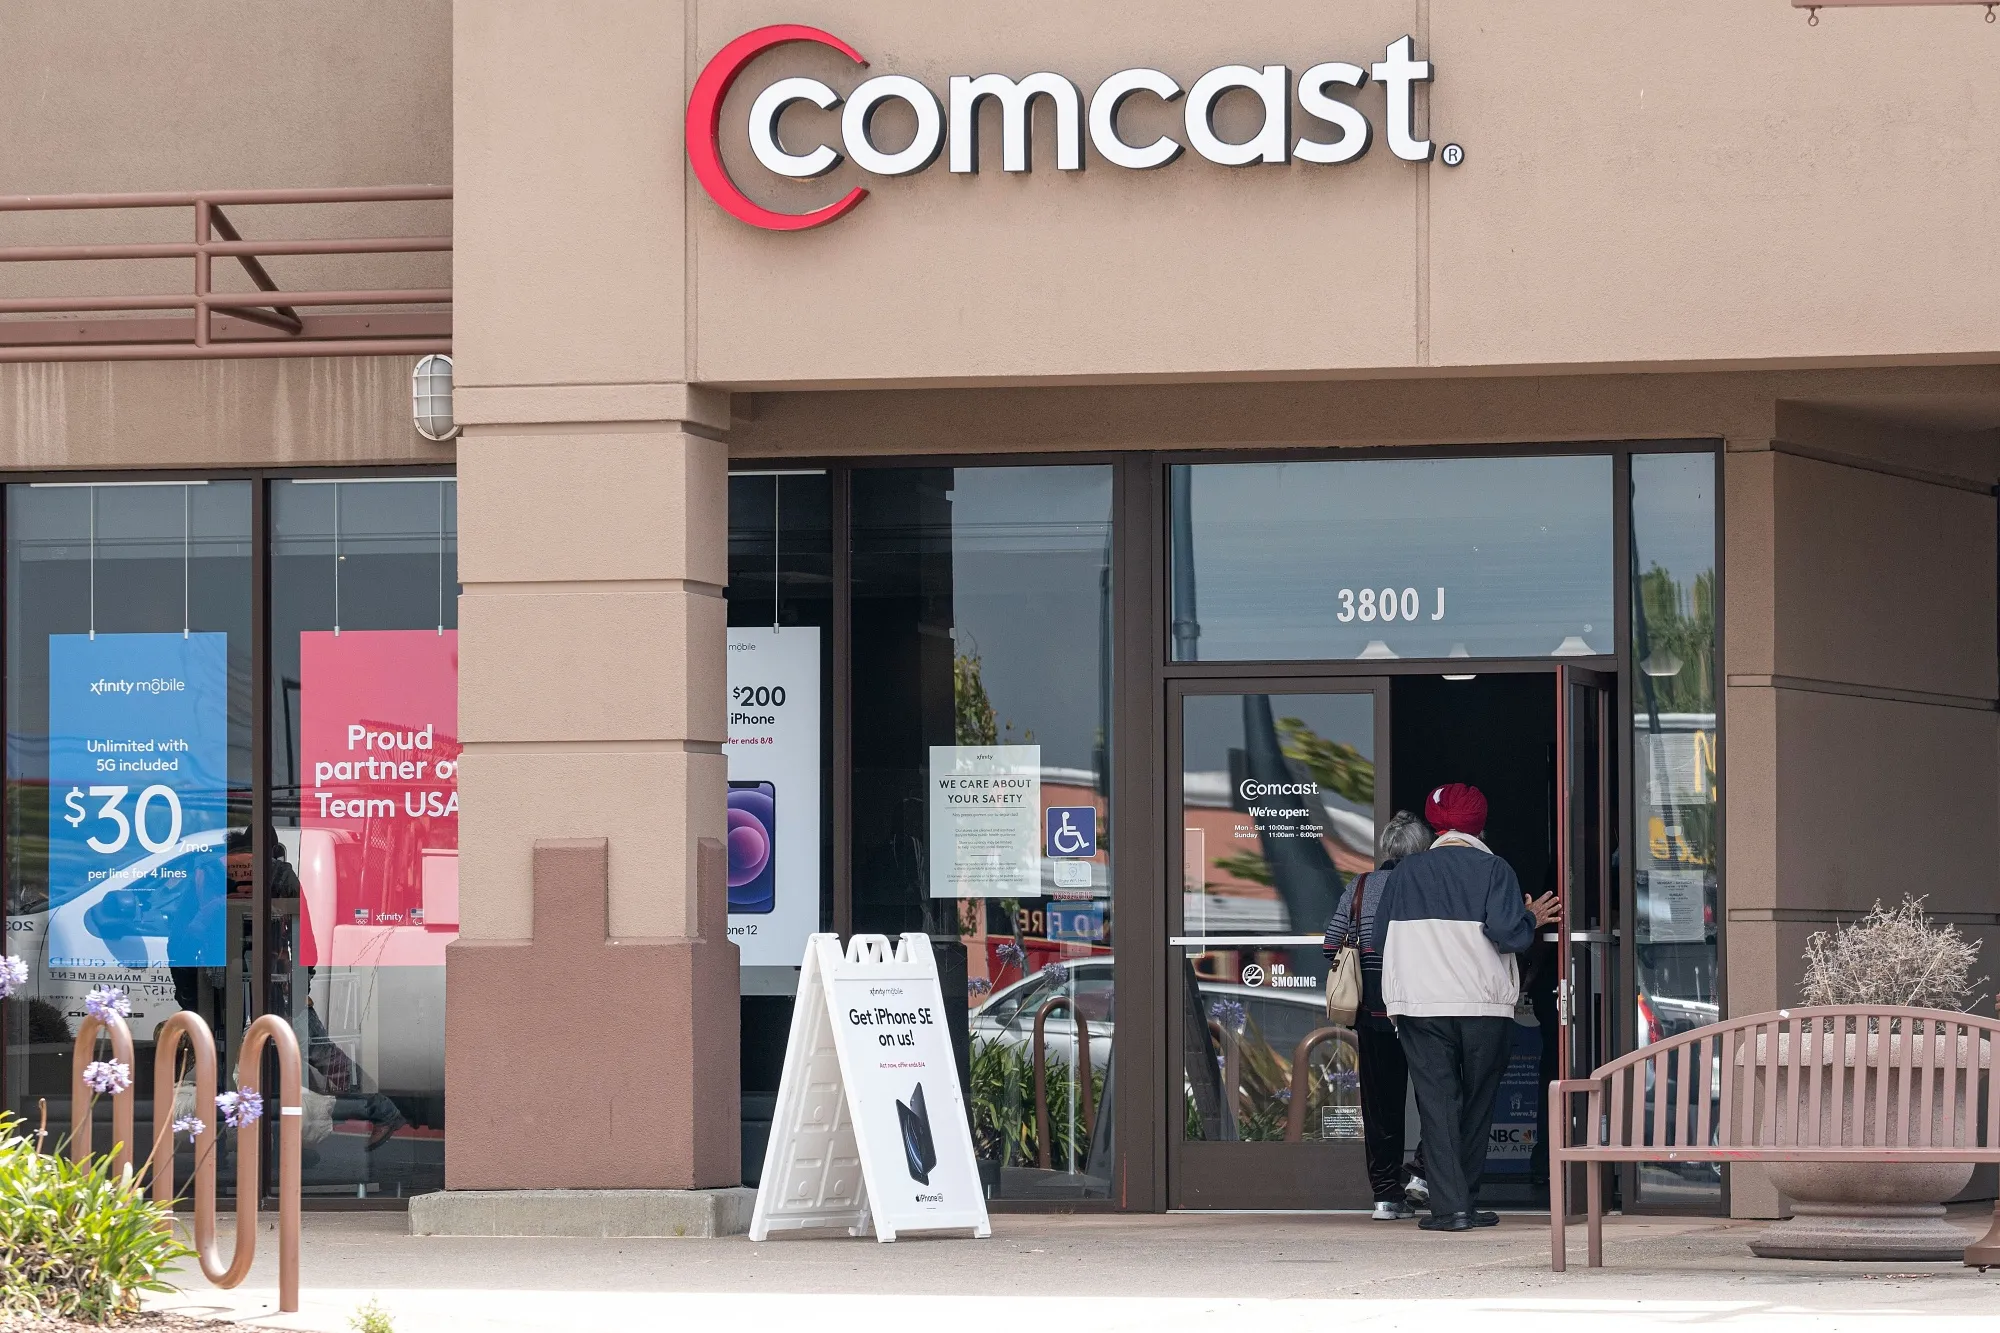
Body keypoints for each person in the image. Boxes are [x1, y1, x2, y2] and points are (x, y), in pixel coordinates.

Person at [1376, 782, 1559, 1233]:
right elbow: (1510, 935)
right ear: (1480, 826)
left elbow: (1380, 938)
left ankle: (1450, 1209)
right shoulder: (1495, 869)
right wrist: (1531, 918)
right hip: (1484, 1006)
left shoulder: (1404, 873)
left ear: (1435, 826)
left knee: (1437, 1105)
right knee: (1479, 1102)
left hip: (1420, 1005)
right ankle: (1468, 1201)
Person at [1324, 809, 1434, 1220]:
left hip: (1373, 1012)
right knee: (1437, 1096)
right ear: (1424, 848)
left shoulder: (1360, 885)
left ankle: (1386, 1197)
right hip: (1423, 1010)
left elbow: (1331, 944)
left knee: (1380, 1107)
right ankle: (1423, 1174)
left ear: (1387, 847)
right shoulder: (1429, 885)